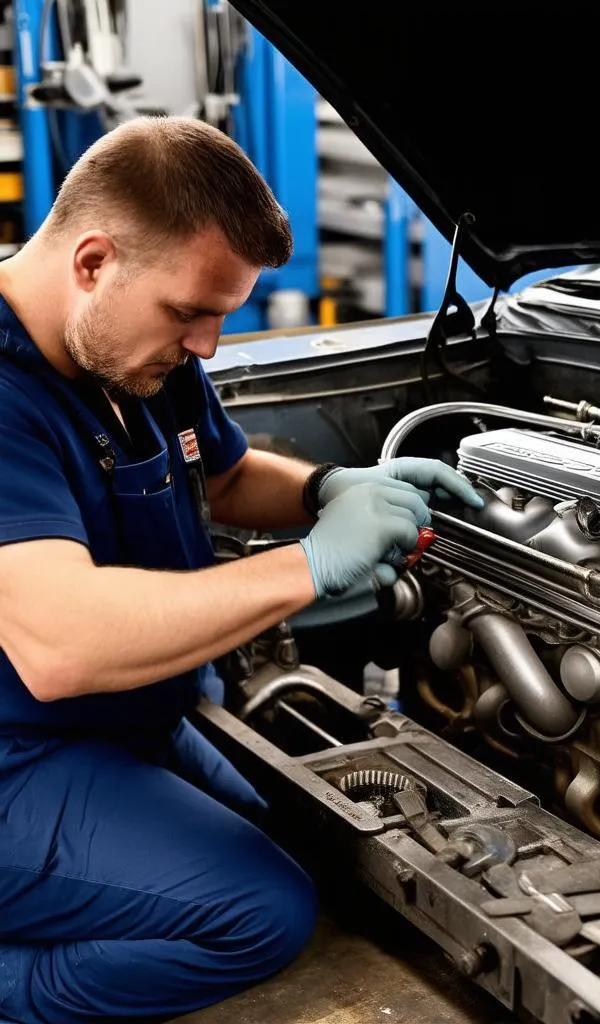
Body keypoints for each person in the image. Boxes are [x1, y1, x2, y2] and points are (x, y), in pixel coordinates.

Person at [0, 116, 483, 1024]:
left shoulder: (134, 348)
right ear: (94, 261)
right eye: (191, 313)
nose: (209, 345)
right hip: (18, 753)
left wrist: (334, 489)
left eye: (224, 315)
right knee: (260, 913)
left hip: (129, 719)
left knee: (304, 841)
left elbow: (219, 473)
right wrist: (309, 566)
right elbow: (58, 645)